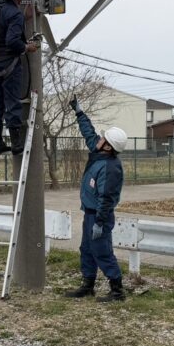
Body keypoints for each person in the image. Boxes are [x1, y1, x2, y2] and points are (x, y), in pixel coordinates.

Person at [63, 96, 127, 303]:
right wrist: (79, 112)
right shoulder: (99, 153)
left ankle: (117, 290)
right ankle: (88, 285)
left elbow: (106, 198)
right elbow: (88, 132)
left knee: (102, 251)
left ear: (108, 146)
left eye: (103, 138)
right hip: (90, 214)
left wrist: (99, 222)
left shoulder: (110, 167)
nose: (98, 139)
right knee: (87, 250)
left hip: (99, 216)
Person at [0, 0, 39, 155]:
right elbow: (12, 41)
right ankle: (16, 144)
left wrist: (22, 18)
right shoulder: (15, 14)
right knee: (12, 103)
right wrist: (27, 47)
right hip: (10, 66)